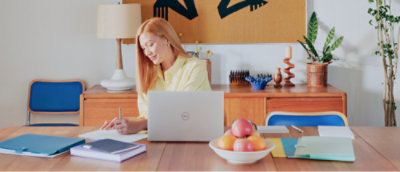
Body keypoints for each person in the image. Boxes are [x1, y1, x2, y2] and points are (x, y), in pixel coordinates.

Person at [100, 17, 211, 134]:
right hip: (159, 138)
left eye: (150, 45)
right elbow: (146, 116)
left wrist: (140, 124)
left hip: (190, 137)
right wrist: (124, 123)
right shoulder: (148, 73)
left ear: (167, 39)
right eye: (143, 48)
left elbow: (183, 114)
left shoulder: (195, 67)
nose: (147, 53)